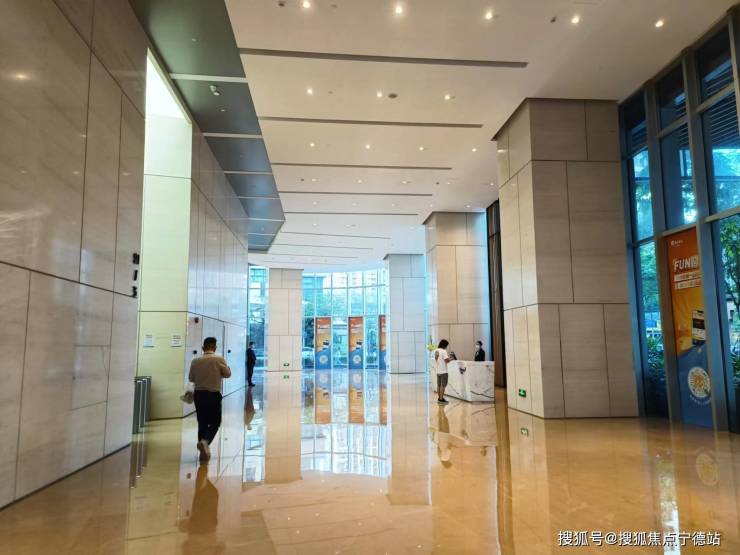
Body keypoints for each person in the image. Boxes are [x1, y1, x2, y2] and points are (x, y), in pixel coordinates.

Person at [189, 337, 231, 462]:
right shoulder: (219, 359)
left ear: (203, 347)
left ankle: (203, 453)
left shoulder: (195, 361)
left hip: (199, 395)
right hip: (213, 394)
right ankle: (205, 441)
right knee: (215, 422)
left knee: (202, 422)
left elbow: (191, 378)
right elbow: (227, 374)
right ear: (215, 347)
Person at [433, 339, 451, 404]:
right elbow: (446, 360)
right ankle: (441, 399)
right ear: (444, 345)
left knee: (438, 385)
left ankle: (439, 398)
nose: (447, 347)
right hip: (443, 371)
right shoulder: (443, 351)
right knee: (443, 386)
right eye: (446, 345)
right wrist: (450, 359)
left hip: (438, 371)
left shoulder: (436, 350)